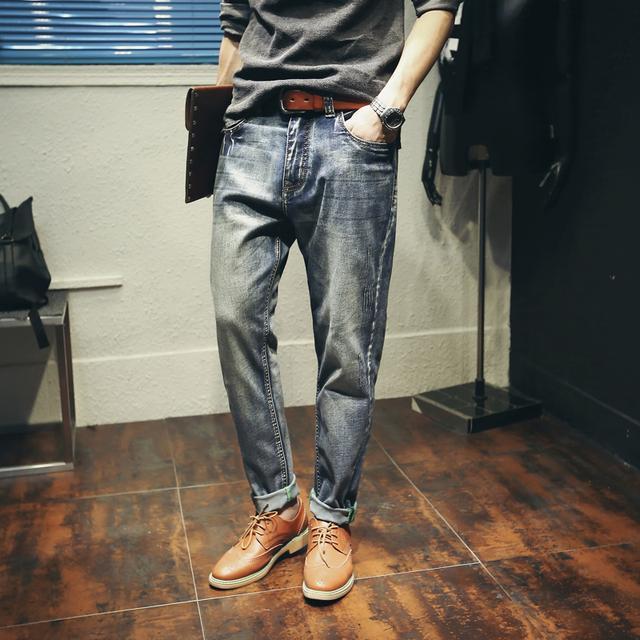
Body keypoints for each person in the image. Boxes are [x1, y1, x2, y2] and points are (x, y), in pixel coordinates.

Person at [208, 0, 460, 601]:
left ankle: (330, 516)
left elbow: (439, 7)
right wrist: (219, 116)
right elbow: (237, 28)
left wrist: (386, 109)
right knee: (235, 316)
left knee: (348, 339)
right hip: (252, 133)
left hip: (349, 131)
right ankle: (278, 508)